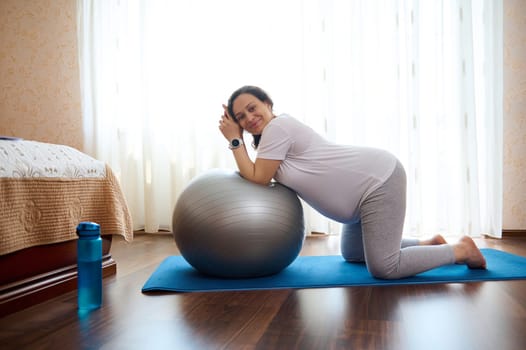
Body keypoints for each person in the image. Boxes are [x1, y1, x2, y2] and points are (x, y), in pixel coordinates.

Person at [218, 85, 486, 279]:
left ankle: (460, 249)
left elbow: (259, 179)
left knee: (384, 268)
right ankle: (429, 244)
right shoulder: (269, 142)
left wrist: (234, 137)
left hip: (377, 182)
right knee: (353, 254)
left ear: (268, 104)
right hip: (360, 200)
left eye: (252, 108)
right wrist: (238, 135)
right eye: (240, 117)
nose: (249, 118)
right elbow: (257, 173)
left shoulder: (278, 127)